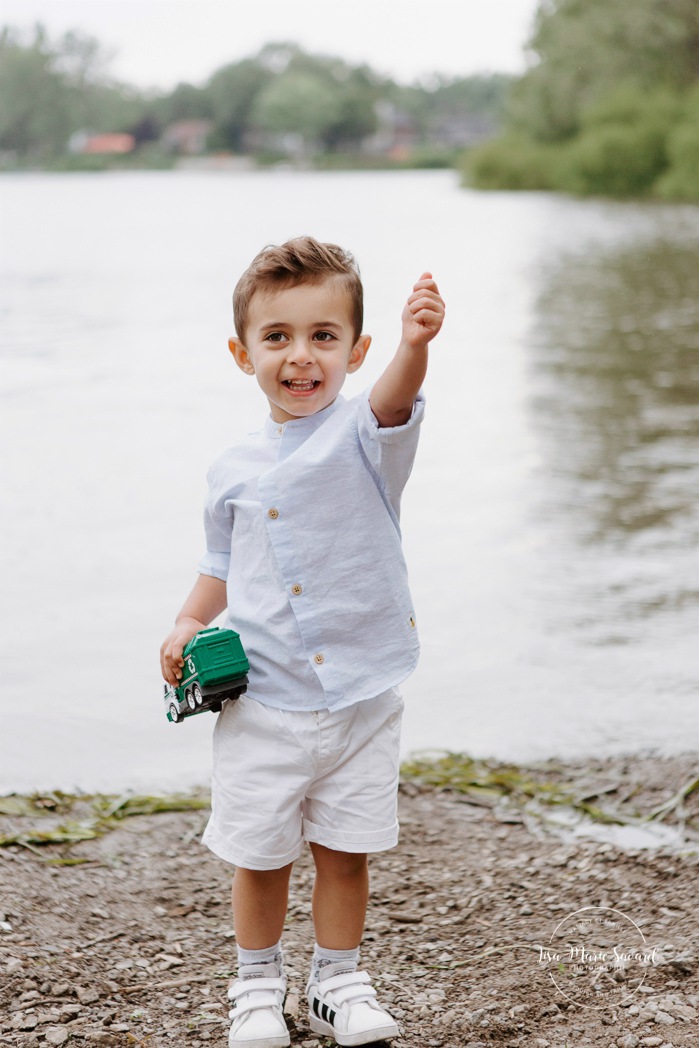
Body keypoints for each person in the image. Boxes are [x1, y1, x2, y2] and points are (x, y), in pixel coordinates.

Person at [160, 235, 445, 1048]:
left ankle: (338, 981)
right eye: (276, 336)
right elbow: (220, 565)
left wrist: (413, 346)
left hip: (361, 695)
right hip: (265, 703)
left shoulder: (365, 437)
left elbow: (394, 400)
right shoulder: (231, 469)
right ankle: (255, 986)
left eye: (324, 336)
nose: (300, 356)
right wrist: (187, 621)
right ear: (241, 351)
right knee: (261, 855)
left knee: (346, 851)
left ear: (354, 351)